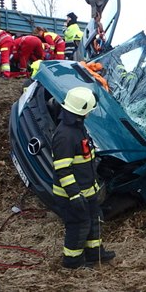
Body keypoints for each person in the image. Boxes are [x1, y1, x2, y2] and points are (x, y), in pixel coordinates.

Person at [52, 86, 116, 269]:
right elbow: (63, 170)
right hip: (72, 195)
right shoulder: (65, 135)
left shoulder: (77, 128)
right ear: (82, 111)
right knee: (79, 225)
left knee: (94, 221)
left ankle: (94, 254)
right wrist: (74, 195)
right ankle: (72, 261)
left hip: (87, 191)